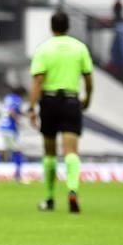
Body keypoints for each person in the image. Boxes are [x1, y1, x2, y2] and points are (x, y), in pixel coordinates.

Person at [27, 12, 92, 214]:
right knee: (71, 151)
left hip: (50, 100)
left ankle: (49, 198)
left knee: (50, 152)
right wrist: (87, 98)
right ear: (68, 26)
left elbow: (38, 80)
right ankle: (72, 190)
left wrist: (32, 107)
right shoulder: (79, 47)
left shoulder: (44, 49)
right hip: (71, 100)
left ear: (51, 27)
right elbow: (89, 80)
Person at [0, 87, 25, 182]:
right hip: (10, 129)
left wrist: (22, 114)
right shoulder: (17, 99)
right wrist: (18, 121)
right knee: (17, 152)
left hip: (1, 128)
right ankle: (18, 175)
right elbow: (12, 111)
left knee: (0, 152)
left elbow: (12, 110)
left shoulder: (8, 98)